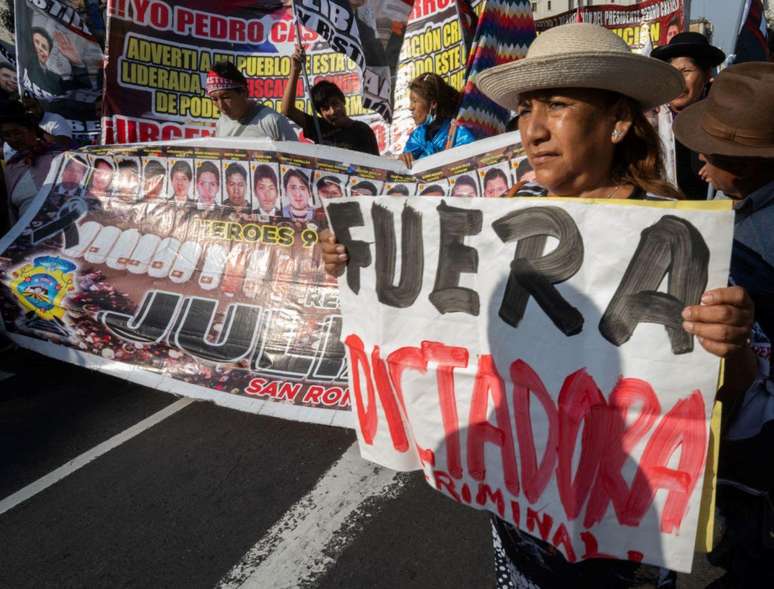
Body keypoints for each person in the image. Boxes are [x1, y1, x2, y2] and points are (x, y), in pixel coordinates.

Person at [321, 23, 756, 588]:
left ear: (618, 122)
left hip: (621, 545)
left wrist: (732, 343)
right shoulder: (509, 211)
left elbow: (727, 392)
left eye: (557, 105)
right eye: (526, 110)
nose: (534, 130)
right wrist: (356, 258)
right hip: (521, 523)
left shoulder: (676, 233)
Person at [673, 62, 774, 588]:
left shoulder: (750, 242)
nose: (704, 170)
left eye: (716, 161)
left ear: (755, 166)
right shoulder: (738, 212)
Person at [651, 32, 726, 199]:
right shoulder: (652, 119)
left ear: (707, 76)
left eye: (686, 71)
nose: (678, 82)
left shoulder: (721, 119)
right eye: (672, 72)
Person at [282, 44, 380, 155]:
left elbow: (376, 169)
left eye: (335, 103)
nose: (332, 111)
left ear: (343, 101)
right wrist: (295, 70)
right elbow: (287, 110)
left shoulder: (362, 131)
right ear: (320, 113)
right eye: (325, 108)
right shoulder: (319, 127)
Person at [0, 102, 66, 223]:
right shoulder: (10, 168)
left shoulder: (60, 156)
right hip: (30, 238)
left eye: (17, 132)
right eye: (7, 135)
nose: (13, 139)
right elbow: (12, 212)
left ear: (32, 130)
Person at [207, 62, 297, 141]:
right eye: (214, 99)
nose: (221, 106)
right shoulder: (221, 122)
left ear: (244, 92)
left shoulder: (273, 122)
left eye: (226, 97)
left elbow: (296, 158)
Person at [401, 73, 475, 167]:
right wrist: (402, 161)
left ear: (433, 104)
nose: (410, 107)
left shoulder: (459, 135)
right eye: (410, 101)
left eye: (415, 101)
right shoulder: (417, 135)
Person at [25, 26, 92, 98]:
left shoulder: (55, 79)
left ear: (47, 54)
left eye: (44, 47)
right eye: (36, 42)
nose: (40, 48)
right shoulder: (23, 65)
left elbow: (84, 87)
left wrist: (77, 63)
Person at [3, 93, 72, 160]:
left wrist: (39, 132)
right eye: (27, 109)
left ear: (39, 104)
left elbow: (65, 144)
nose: (32, 111)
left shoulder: (54, 119)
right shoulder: (9, 151)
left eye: (33, 106)